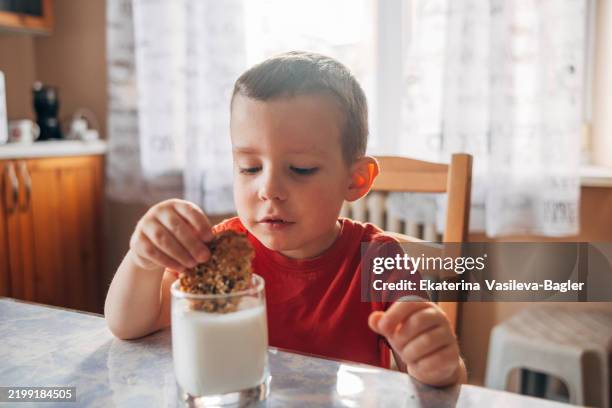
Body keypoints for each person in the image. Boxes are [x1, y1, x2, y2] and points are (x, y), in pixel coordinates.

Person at [105, 51, 467, 387]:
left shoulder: (378, 261)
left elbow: (430, 372)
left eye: (301, 169)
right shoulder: (216, 254)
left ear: (355, 180)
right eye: (250, 167)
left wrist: (437, 362)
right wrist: (143, 258)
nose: (269, 189)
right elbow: (130, 325)